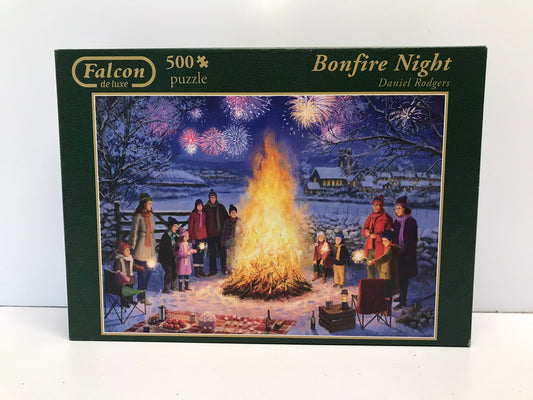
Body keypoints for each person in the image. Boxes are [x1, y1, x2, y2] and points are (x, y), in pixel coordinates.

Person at [129, 193, 156, 305]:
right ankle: (141, 297)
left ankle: (142, 295)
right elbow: (133, 233)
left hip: (150, 249)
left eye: (151, 203)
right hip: (141, 248)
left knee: (149, 274)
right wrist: (131, 248)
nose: (150, 205)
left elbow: (152, 231)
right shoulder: (138, 217)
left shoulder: (151, 215)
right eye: (148, 203)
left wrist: (154, 245)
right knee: (143, 274)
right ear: (143, 204)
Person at [393, 196, 418, 309]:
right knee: (399, 276)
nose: (397, 210)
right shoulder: (396, 222)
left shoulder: (411, 222)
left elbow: (413, 239)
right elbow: (394, 235)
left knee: (404, 277)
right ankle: (401, 296)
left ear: (405, 209)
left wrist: (408, 253)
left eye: (399, 208)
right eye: (396, 208)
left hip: (407, 254)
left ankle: (403, 300)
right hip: (398, 252)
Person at [362, 194, 393, 279]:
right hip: (370, 247)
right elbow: (364, 229)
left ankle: (382, 285)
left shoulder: (387, 218)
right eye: (374, 205)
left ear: (381, 206)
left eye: (377, 205)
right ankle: (371, 285)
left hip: (380, 247)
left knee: (381, 269)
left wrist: (377, 236)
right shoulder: (371, 217)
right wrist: (366, 232)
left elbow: (389, 235)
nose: (375, 207)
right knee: (370, 269)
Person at [366, 230, 399, 298]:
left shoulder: (390, 249)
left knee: (387, 293)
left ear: (391, 240)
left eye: (385, 241)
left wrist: (373, 261)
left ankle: (387, 303)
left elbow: (384, 257)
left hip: (387, 275)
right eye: (383, 240)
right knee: (386, 292)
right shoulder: (390, 248)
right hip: (385, 274)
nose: (383, 242)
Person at [204, 189, 229, 276]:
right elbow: (202, 220)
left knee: (222, 252)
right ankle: (213, 270)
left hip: (219, 234)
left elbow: (226, 219)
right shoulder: (206, 208)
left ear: (216, 198)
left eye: (214, 197)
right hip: (210, 235)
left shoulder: (221, 207)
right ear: (209, 198)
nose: (213, 199)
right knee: (212, 253)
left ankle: (224, 268)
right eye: (211, 197)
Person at [113, 240, 144, 307]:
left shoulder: (130, 258)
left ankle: (130, 300)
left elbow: (133, 265)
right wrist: (119, 273)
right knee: (125, 291)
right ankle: (124, 302)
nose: (128, 252)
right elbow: (117, 269)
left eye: (129, 250)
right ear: (122, 251)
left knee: (131, 289)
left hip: (130, 278)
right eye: (126, 250)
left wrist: (138, 267)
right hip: (123, 279)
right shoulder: (119, 259)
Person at [158, 217, 180, 294]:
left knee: (175, 270)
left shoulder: (176, 236)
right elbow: (164, 247)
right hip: (164, 257)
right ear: (170, 226)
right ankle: (166, 288)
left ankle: (173, 285)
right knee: (169, 271)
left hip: (171, 257)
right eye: (174, 226)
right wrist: (172, 249)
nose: (176, 228)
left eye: (177, 227)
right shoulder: (166, 235)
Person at [188, 199, 208, 278]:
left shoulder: (204, 214)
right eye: (198, 205)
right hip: (196, 238)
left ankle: (201, 270)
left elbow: (206, 225)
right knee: (196, 254)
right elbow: (190, 227)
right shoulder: (193, 215)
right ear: (196, 206)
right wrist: (192, 238)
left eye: (201, 205)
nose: (200, 207)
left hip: (203, 237)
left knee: (201, 253)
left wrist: (206, 237)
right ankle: (196, 271)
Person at [221, 204, 240, 274]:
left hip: (235, 242)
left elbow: (241, 231)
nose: (233, 214)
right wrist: (222, 240)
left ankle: (233, 268)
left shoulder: (238, 221)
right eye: (232, 212)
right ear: (230, 213)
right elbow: (223, 232)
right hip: (228, 242)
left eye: (234, 212)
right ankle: (228, 269)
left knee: (234, 256)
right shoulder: (227, 221)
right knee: (228, 257)